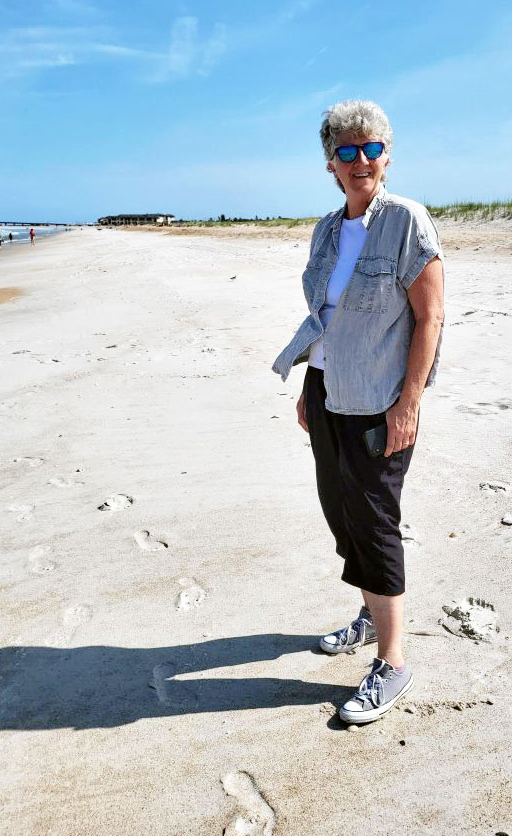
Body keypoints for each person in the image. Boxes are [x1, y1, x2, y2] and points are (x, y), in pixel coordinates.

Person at [272, 100, 445, 724]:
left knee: (373, 521)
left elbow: (430, 319)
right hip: (326, 392)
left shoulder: (407, 221)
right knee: (341, 514)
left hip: (378, 401)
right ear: (331, 164)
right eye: (348, 151)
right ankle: (372, 619)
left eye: (371, 148)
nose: (361, 160)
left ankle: (394, 661)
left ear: (387, 155)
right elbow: (325, 316)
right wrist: (307, 384)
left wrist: (409, 403)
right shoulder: (325, 230)